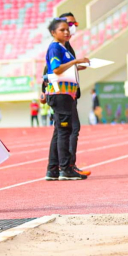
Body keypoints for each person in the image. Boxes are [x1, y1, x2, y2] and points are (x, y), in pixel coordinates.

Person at [44, 18, 89, 181]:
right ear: (53, 33)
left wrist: (77, 66)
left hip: (65, 94)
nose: (66, 32)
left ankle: (54, 169)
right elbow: (56, 69)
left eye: (67, 29)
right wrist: (76, 61)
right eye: (62, 30)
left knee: (62, 131)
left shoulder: (63, 48)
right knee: (64, 131)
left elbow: (64, 67)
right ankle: (65, 169)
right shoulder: (55, 47)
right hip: (60, 94)